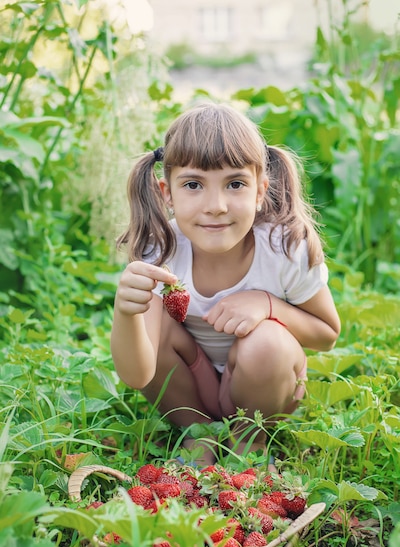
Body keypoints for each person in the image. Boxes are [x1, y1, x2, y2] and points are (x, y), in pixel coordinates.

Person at [111, 102, 341, 465]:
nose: (216, 205)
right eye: (193, 185)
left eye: (235, 184)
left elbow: (327, 334)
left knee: (266, 341)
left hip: (265, 389)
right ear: (167, 193)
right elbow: (139, 374)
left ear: (260, 190)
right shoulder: (161, 250)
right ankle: (198, 434)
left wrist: (269, 306)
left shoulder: (283, 247)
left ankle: (250, 442)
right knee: (158, 331)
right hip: (191, 388)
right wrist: (126, 312)